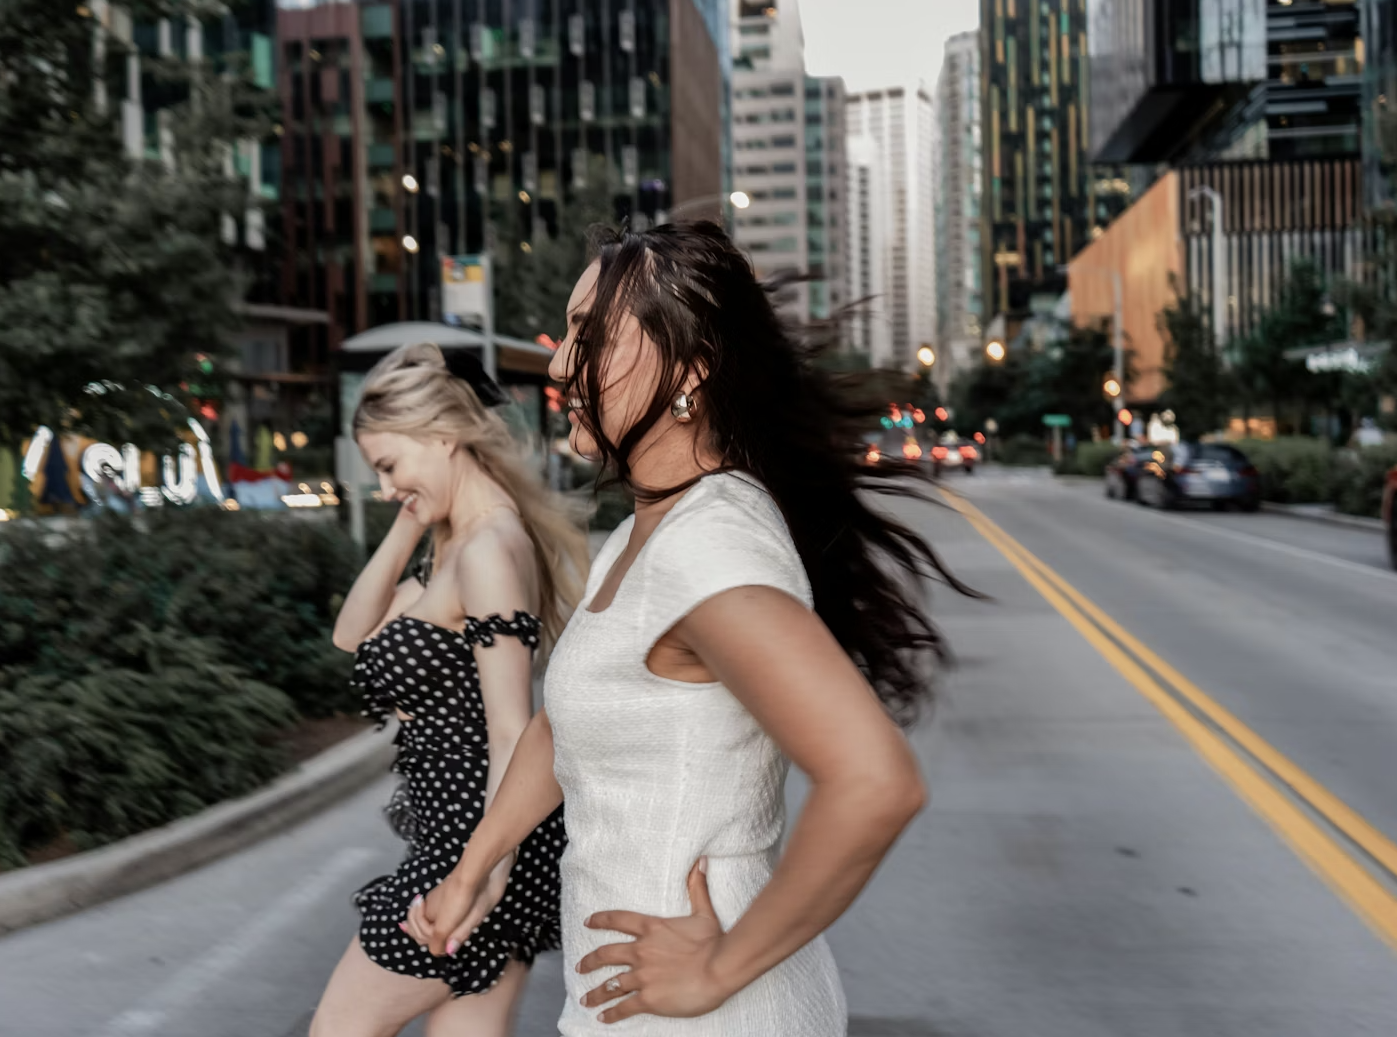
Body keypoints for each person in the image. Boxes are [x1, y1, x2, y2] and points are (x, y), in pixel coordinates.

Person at [405, 222, 969, 1034]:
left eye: (588, 335)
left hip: (703, 1013)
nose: (561, 362)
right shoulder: (647, 531)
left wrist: (715, 973)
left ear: (691, 370)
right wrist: (475, 866)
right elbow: (566, 725)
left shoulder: (706, 546)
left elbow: (878, 781)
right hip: (629, 1001)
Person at [311, 342, 588, 1037]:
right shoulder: (457, 542)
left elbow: (511, 731)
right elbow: (352, 633)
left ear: (442, 436)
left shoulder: (489, 550)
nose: (382, 485)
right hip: (467, 843)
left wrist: (484, 875)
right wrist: (410, 510)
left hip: (474, 846)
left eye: (388, 465)